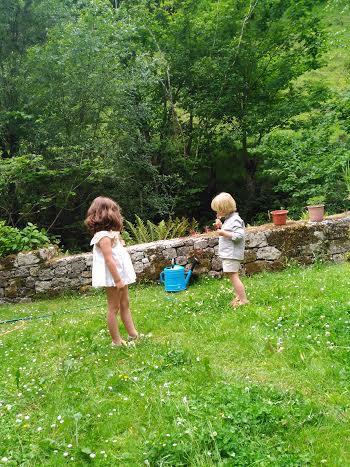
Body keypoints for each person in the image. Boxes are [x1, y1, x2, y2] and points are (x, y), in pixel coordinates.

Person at [85, 196, 139, 346]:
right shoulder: (103, 237)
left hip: (121, 276)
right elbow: (109, 260)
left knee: (125, 304)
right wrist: (118, 280)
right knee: (113, 307)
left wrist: (119, 242)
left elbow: (115, 252)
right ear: (107, 214)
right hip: (114, 278)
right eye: (115, 211)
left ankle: (132, 334)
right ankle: (116, 341)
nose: (118, 214)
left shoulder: (110, 234)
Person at [211, 192, 249, 307]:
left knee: (233, 276)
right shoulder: (229, 219)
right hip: (229, 253)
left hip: (232, 254)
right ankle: (239, 296)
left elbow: (238, 236)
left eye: (218, 210)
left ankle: (243, 300)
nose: (217, 213)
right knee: (232, 275)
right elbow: (230, 231)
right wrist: (221, 225)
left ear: (224, 210)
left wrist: (223, 232)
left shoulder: (235, 220)